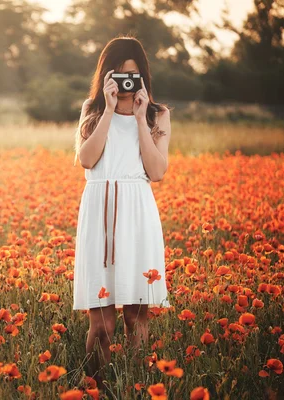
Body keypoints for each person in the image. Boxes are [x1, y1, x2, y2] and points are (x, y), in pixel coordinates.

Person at [72, 35, 173, 390]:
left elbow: (157, 171)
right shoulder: (93, 109)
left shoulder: (158, 114)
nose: (127, 85)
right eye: (119, 77)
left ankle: (135, 388)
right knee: (102, 325)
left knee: (135, 317)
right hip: (99, 213)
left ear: (143, 77)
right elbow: (86, 159)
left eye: (133, 77)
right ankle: (95, 390)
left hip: (137, 214)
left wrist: (142, 117)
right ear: (107, 77)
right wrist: (111, 108)